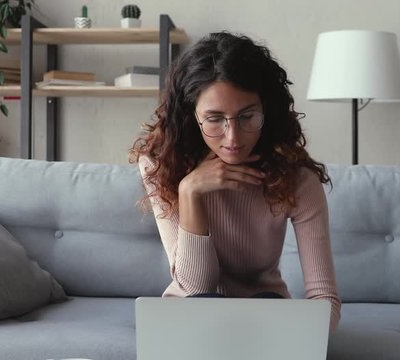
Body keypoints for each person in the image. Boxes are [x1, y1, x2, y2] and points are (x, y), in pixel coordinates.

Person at [129, 32, 341, 332]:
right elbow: (195, 287)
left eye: (247, 116)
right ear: (192, 116)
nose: (233, 138)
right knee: (201, 303)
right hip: (190, 320)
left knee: (268, 302)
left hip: (266, 319)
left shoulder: (298, 180)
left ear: (266, 110)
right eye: (215, 119)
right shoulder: (161, 166)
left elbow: (325, 299)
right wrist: (190, 191)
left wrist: (303, 338)